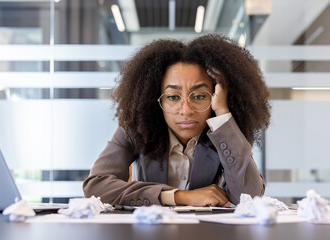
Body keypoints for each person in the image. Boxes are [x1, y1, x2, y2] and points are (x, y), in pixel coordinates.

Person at [83, 34, 271, 207]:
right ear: (155, 100)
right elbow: (96, 185)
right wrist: (179, 196)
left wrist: (222, 113)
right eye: (173, 97)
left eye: (199, 96)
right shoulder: (136, 128)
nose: (186, 110)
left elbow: (249, 196)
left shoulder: (224, 133)